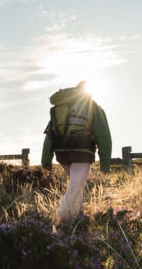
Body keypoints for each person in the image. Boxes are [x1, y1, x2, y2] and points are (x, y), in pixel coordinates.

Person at [40, 81, 111, 221]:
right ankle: (61, 222)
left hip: (62, 153)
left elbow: (50, 134)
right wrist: (105, 167)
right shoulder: (93, 107)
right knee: (75, 189)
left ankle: (78, 223)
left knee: (76, 187)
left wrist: (46, 162)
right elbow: (104, 137)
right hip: (82, 152)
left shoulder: (60, 107)